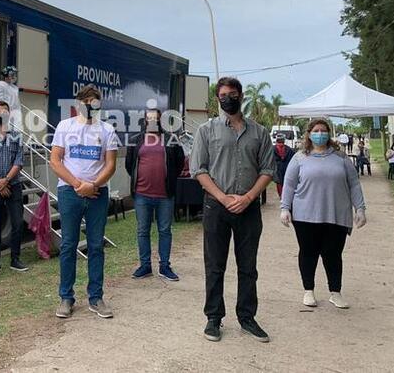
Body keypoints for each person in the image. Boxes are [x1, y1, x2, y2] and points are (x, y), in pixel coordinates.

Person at [190, 77, 274, 343]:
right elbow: (199, 170)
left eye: (233, 93)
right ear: (218, 98)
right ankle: (214, 318)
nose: (229, 98)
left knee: (248, 266)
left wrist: (249, 197)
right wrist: (223, 198)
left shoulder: (259, 132)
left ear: (241, 96)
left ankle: (247, 318)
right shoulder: (206, 131)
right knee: (215, 265)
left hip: (248, 208)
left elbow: (268, 170)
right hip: (217, 206)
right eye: (224, 94)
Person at [280, 118, 367, 309]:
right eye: (316, 130)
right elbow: (289, 184)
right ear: (309, 134)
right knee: (308, 252)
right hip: (305, 215)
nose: (320, 134)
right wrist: (285, 208)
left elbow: (354, 184)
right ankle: (308, 291)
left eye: (323, 130)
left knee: (333, 254)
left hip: (336, 214)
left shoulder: (340, 157)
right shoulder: (299, 157)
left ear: (329, 133)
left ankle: (335, 292)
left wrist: (360, 208)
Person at [50, 84, 118, 319]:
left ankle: (96, 297)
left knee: (96, 245)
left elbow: (111, 164)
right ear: (78, 103)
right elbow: (56, 161)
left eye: (95, 101)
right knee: (68, 245)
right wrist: (79, 185)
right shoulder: (64, 127)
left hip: (98, 195)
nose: (90, 105)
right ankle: (66, 298)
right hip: (70, 193)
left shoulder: (107, 130)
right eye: (86, 101)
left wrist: (94, 185)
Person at [124, 108, 185, 281]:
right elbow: (130, 165)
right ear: (144, 121)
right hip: (142, 195)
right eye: (149, 118)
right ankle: (145, 266)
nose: (152, 121)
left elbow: (179, 163)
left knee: (164, 230)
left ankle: (164, 266)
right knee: (143, 231)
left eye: (155, 118)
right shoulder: (136, 140)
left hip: (165, 195)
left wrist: (169, 178)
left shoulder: (171, 140)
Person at [0, 100, 28, 275]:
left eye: (4, 110)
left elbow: (19, 161)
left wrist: (6, 181)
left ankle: (15, 259)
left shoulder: (17, 136)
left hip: (14, 186)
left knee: (17, 223)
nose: (1, 112)